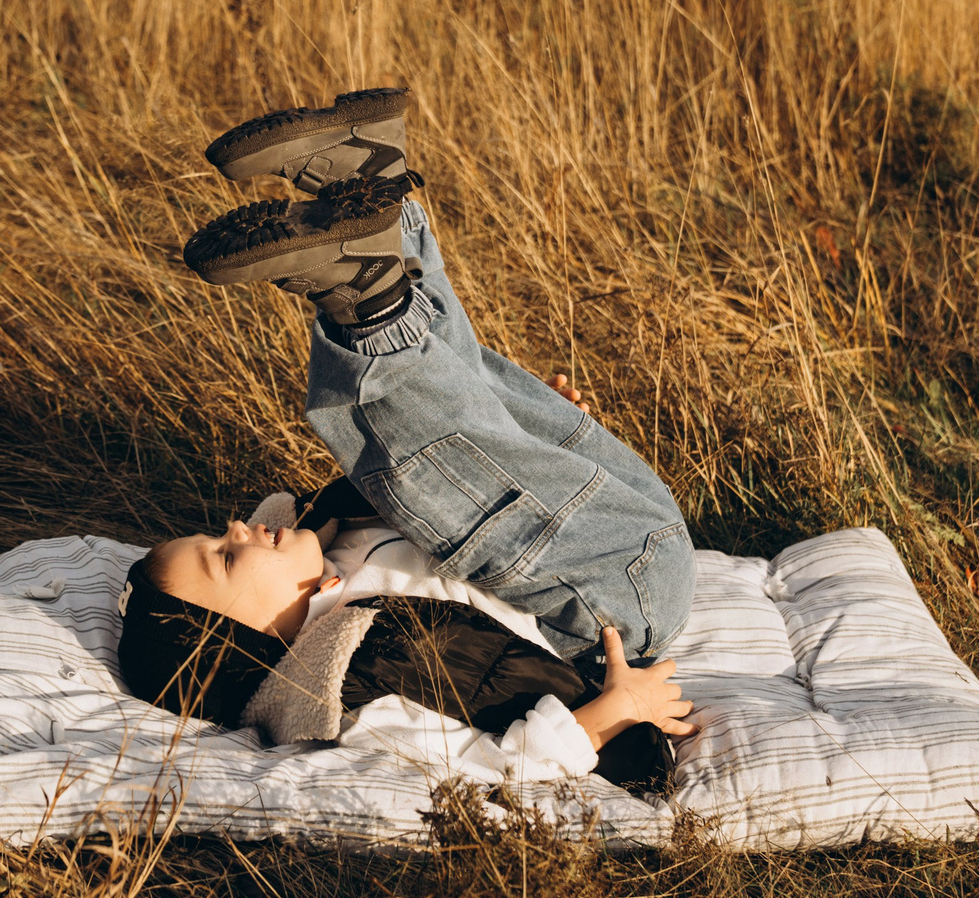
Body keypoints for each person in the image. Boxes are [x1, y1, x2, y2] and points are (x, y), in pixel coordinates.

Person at [114, 88, 698, 791]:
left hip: (595, 526)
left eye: (217, 533)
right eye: (222, 557)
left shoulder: (331, 542)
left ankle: (371, 185)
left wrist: (529, 450)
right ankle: (368, 303)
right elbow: (504, 768)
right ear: (253, 638)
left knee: (454, 391)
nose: (237, 526)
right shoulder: (356, 684)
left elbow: (453, 474)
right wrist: (613, 711)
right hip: (616, 602)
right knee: (416, 452)